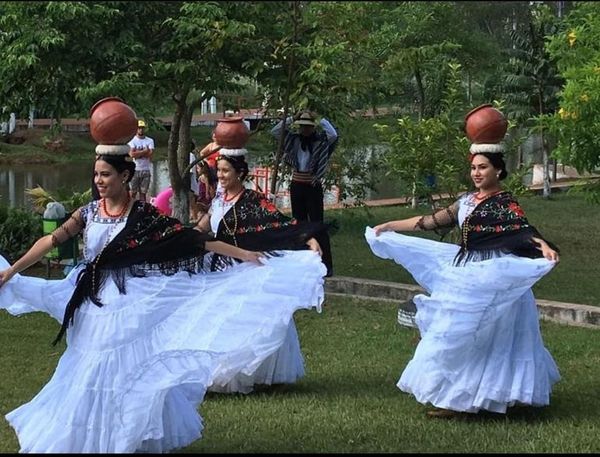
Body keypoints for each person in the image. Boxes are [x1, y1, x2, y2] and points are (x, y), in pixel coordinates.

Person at [0, 128, 325, 452]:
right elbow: (51, 240)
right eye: (96, 175)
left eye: (105, 175)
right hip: (91, 297)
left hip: (126, 300)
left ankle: (126, 433)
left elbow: (193, 238)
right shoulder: (88, 212)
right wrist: (13, 269)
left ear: (125, 176)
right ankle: (86, 435)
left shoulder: (142, 216)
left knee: (122, 367)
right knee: (86, 367)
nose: (99, 181)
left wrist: (244, 254)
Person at [365, 105, 560, 419]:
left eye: (483, 167)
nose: (477, 173)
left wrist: (544, 248)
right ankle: (455, 397)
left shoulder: (505, 203)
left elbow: (524, 232)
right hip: (466, 273)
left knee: (491, 336)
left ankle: (498, 394)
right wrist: (389, 226)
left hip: (496, 274)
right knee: (455, 332)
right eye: (473, 168)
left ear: (498, 170)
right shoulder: (465, 202)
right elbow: (430, 221)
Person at [195, 140, 328, 393]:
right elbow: (203, 226)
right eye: (219, 171)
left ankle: (258, 373)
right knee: (220, 319)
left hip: (247, 265)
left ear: (240, 174)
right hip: (220, 267)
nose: (221, 176)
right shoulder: (218, 200)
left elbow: (279, 223)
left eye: (226, 171)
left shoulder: (253, 200)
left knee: (251, 318)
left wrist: (307, 238)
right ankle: (222, 373)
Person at [270, 110, 338, 277]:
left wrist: (320, 118)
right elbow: (275, 131)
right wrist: (292, 118)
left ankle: (326, 265)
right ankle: (301, 262)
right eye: (302, 127)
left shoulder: (320, 141)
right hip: (297, 185)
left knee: (317, 225)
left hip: (313, 185)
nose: (305, 130)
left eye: (308, 127)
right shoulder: (293, 139)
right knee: (298, 225)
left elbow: (333, 135)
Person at [128, 119, 154, 202]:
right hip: (135, 170)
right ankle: (130, 209)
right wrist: (144, 151)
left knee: (143, 193)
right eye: (139, 128)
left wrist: (138, 153)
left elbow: (150, 154)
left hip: (146, 170)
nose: (141, 130)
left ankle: (142, 210)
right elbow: (132, 154)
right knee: (133, 192)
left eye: (142, 128)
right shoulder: (132, 141)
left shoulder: (150, 140)